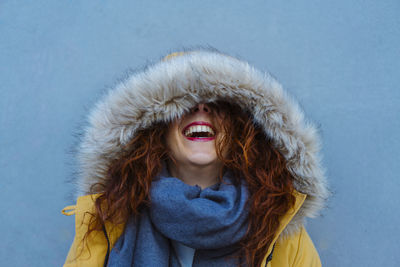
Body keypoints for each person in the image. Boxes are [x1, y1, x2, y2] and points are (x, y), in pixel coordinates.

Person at [62, 50, 329, 267]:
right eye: (183, 101)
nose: (200, 109)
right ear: (158, 129)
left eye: (219, 103)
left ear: (240, 129)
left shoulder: (279, 229)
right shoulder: (109, 219)